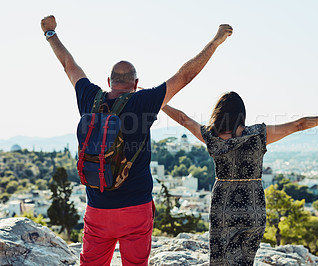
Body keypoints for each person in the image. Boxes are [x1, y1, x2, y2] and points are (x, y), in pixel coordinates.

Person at [40, 15, 232, 265]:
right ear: (136, 83)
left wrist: (50, 33)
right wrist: (215, 41)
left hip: (97, 207)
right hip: (136, 209)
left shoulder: (90, 98)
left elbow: (69, 65)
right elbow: (185, 76)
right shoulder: (143, 102)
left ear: (109, 82)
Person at [162, 92, 318, 265]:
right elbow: (299, 125)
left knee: (221, 259)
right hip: (252, 206)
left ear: (219, 113)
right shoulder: (257, 135)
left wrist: (157, 100)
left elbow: (183, 119)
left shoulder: (211, 137)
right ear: (242, 114)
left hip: (223, 206)